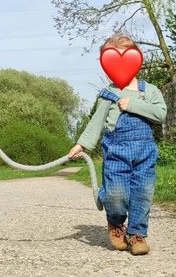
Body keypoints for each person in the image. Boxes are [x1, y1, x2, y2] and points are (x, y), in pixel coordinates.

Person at [68, 34, 167, 256]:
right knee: (116, 195)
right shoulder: (108, 94)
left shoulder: (149, 91)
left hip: (145, 153)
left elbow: (160, 114)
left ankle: (137, 234)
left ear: (136, 59)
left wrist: (133, 104)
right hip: (116, 153)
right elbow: (96, 122)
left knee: (143, 193)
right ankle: (114, 221)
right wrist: (82, 145)